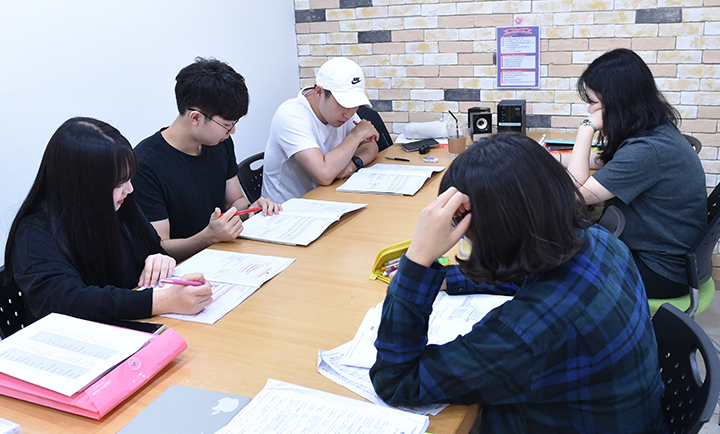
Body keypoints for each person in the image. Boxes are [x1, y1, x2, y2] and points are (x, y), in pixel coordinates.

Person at [369, 135, 667, 433]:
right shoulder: (600, 241)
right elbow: (529, 268)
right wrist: (450, 280)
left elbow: (396, 381)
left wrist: (418, 258)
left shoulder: (527, 335)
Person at [4, 118, 213, 325]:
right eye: (118, 183)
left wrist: (158, 258)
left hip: (132, 324)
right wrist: (162, 301)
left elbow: (150, 246)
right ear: (82, 187)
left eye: (129, 178)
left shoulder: (118, 206)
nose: (129, 189)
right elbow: (69, 301)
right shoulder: (35, 235)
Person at [567, 48, 706, 299]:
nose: (590, 111)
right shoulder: (654, 130)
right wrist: (550, 159)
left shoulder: (647, 150)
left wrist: (586, 129)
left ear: (616, 103)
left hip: (660, 271)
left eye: (594, 103)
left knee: (556, 257)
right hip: (663, 257)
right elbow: (600, 160)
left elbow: (578, 194)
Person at [133, 57, 281, 262]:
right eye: (227, 125)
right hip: (183, 268)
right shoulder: (145, 165)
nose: (232, 131)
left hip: (225, 254)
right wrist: (208, 237)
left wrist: (253, 208)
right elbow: (160, 247)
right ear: (195, 118)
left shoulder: (219, 143)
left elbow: (235, 201)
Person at [261, 57, 380, 203]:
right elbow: (324, 174)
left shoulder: (342, 113)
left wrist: (354, 163)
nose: (349, 114)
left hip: (326, 199)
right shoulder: (291, 115)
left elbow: (371, 145)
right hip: (287, 208)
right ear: (319, 92)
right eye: (344, 104)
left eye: (354, 105)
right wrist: (357, 134)